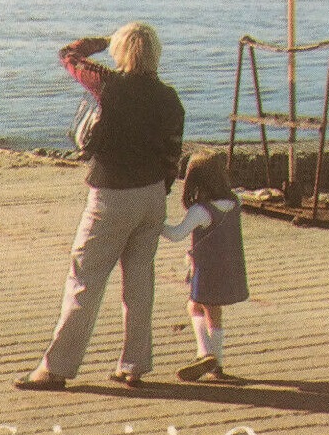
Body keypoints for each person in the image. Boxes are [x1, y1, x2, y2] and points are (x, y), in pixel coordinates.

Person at [15, 22, 185, 391]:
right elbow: (173, 153)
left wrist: (104, 40)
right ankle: (134, 365)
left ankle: (55, 368)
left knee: (85, 280)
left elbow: (68, 56)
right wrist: (160, 189)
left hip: (112, 194)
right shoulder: (169, 98)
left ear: (121, 52)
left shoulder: (109, 85)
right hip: (152, 195)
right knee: (140, 282)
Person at [161, 149, 249, 382]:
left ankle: (205, 352)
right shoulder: (233, 203)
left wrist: (155, 221)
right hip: (228, 268)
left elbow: (176, 234)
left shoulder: (201, 211)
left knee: (194, 306)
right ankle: (216, 366)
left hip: (206, 271)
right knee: (214, 312)